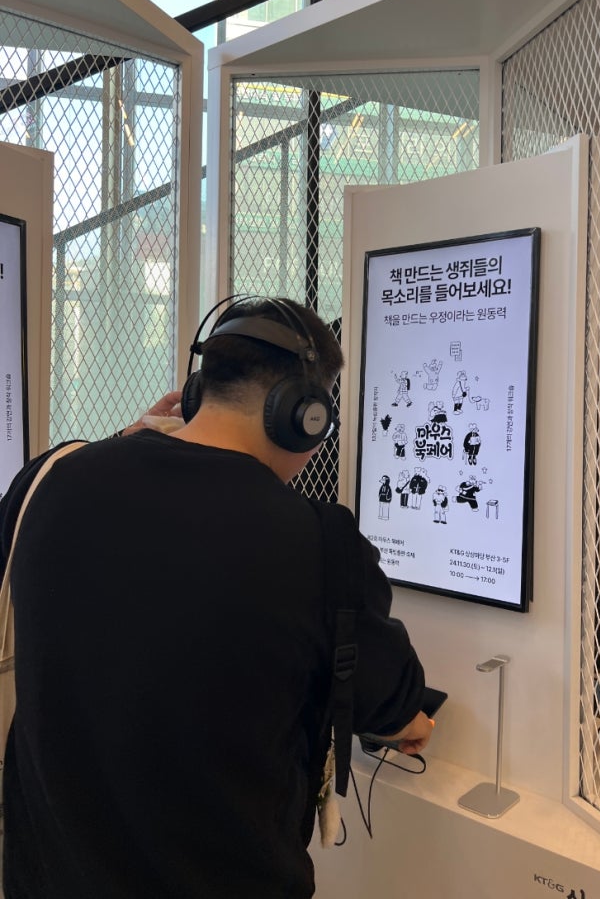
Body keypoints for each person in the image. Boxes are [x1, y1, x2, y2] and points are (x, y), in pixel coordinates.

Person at [0, 296, 431, 899]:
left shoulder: (49, 480)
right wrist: (414, 720)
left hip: (46, 878)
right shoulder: (321, 543)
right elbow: (395, 708)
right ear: (304, 415)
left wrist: (122, 441)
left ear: (199, 391)